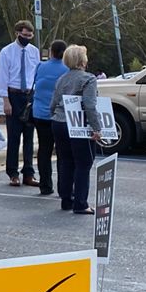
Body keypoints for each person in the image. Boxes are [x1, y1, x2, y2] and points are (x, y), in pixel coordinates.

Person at [48, 45, 103, 214]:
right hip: (78, 123)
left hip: (58, 122)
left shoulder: (62, 79)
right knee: (84, 163)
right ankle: (80, 203)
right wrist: (97, 128)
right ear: (82, 60)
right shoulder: (89, 79)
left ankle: (67, 199)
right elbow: (90, 105)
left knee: (66, 161)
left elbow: (53, 102)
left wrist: (55, 116)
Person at [0, 20, 41, 187]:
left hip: (29, 95)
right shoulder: (7, 52)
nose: (27, 38)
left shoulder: (34, 52)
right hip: (13, 94)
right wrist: (5, 100)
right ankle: (12, 172)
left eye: (30, 35)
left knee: (29, 137)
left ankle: (28, 173)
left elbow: (36, 74)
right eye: (24, 35)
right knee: (14, 137)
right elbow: (2, 77)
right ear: (17, 34)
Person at [31, 39, 69, 197]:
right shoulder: (67, 70)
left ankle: (45, 185)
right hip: (60, 115)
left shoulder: (40, 66)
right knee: (62, 153)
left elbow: (34, 84)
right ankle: (63, 187)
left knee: (44, 150)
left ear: (51, 52)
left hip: (40, 113)